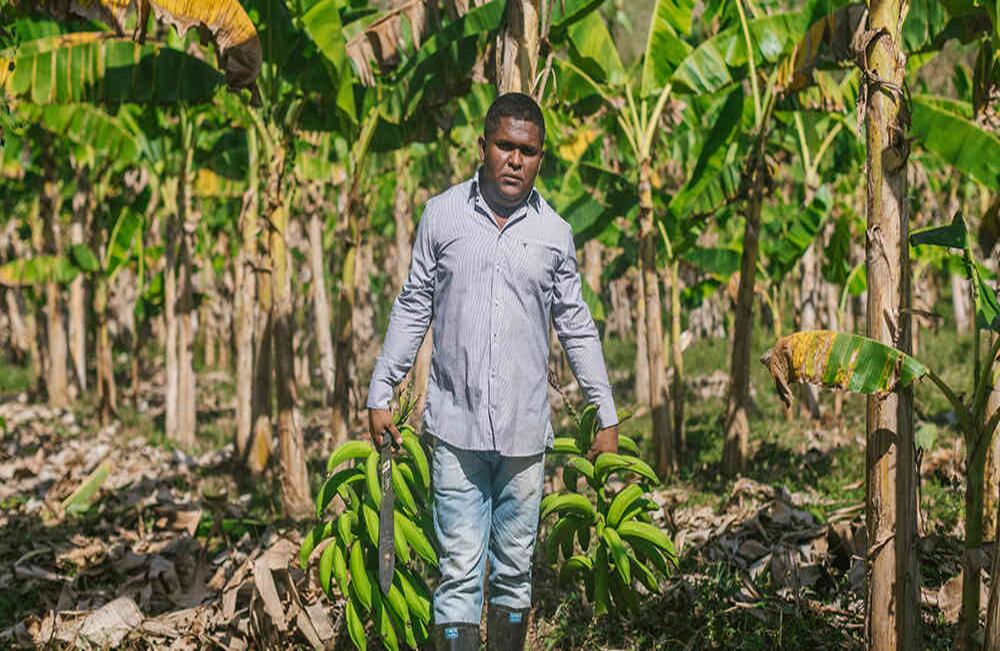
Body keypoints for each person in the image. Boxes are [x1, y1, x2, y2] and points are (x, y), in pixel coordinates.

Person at [366, 92, 619, 651]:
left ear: (540, 158)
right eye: (504, 146)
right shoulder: (443, 216)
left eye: (526, 151)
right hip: (455, 430)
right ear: (483, 147)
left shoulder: (553, 232)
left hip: (526, 434)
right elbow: (413, 305)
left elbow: (576, 324)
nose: (514, 160)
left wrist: (605, 412)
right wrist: (381, 390)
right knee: (458, 571)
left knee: (513, 572)